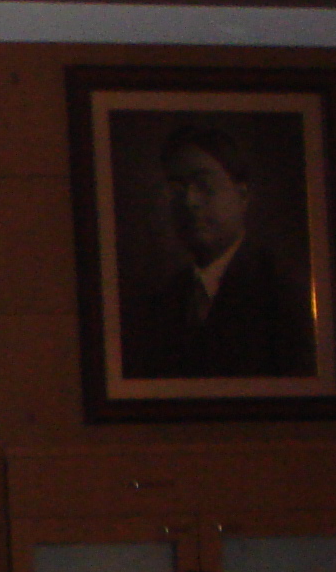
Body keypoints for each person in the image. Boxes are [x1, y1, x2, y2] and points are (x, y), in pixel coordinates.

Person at [120, 126, 313, 381]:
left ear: (242, 195)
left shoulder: (281, 291)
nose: (190, 201)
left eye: (204, 185)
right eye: (177, 188)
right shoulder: (164, 302)